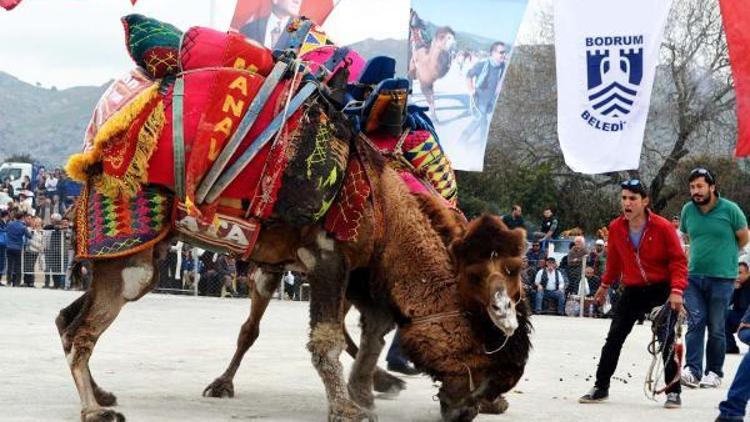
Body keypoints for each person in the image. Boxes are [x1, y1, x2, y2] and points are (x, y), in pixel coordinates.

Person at [579, 179, 687, 408]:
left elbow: (678, 261)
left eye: (632, 199)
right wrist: (605, 285)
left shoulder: (663, 227)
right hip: (633, 289)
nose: (627, 203)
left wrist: (676, 291)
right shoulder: (616, 227)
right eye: (624, 198)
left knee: (667, 339)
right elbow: (615, 261)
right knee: (614, 337)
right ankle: (601, 386)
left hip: (661, 289)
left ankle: (673, 391)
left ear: (645, 201)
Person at [679, 167, 749, 389]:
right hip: (694, 277)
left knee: (716, 326)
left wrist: (725, 256)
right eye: (692, 187)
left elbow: (743, 237)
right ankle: (692, 370)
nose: (696, 191)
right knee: (695, 322)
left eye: (700, 186)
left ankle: (714, 372)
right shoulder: (688, 210)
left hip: (722, 278)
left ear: (712, 187)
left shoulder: (730, 210)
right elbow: (688, 236)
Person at [459, 41, 507, 143]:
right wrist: (471, 89)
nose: (504, 55)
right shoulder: (482, 65)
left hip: (491, 100)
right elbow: (468, 75)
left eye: (504, 52)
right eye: (501, 52)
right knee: (479, 121)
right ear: (493, 53)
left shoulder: (502, 67)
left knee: (484, 123)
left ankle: (480, 144)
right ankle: (462, 142)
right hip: (480, 99)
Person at [726, 261, 750, 354]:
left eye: (740, 273)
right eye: (735, 273)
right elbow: (726, 304)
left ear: (747, 273)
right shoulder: (735, 285)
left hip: (747, 316)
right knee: (723, 315)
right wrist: (733, 290)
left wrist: (745, 321)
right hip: (739, 316)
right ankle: (730, 347)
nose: (737, 276)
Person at [5, 211, 29, 287]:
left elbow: (6, 231)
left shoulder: (9, 224)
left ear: (15, 217)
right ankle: (17, 283)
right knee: (18, 265)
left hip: (9, 247)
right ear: (22, 218)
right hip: (18, 247)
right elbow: (29, 236)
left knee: (9, 265)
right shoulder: (23, 226)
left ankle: (8, 282)